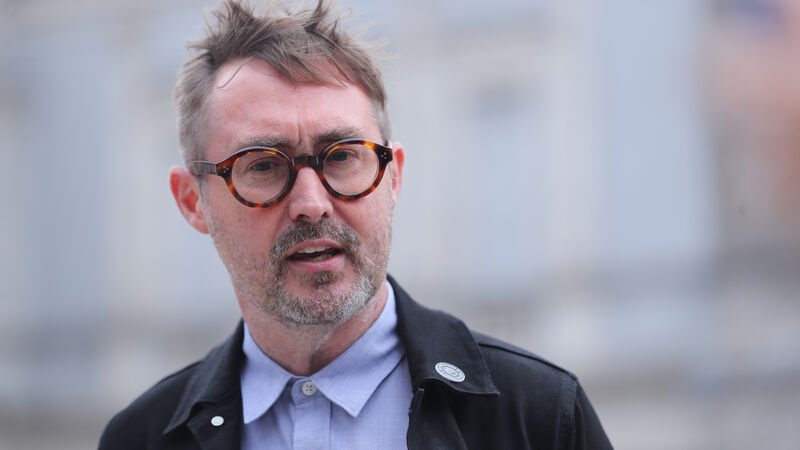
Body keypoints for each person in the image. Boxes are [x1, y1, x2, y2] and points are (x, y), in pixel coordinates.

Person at [99, 1, 612, 448]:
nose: (311, 203)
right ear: (192, 201)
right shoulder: (141, 438)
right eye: (263, 165)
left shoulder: (540, 417)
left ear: (393, 177)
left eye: (342, 155)